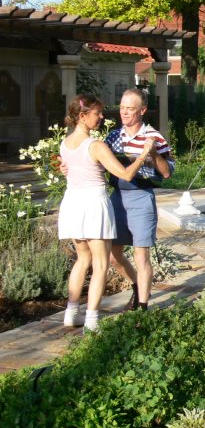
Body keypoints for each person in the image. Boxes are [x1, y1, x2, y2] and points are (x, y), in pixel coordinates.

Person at [59, 94, 155, 331]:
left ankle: (71, 314)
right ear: (83, 116)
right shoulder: (96, 146)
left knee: (82, 260)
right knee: (101, 264)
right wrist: (144, 154)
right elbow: (126, 174)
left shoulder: (65, 143)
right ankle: (92, 321)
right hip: (93, 204)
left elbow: (70, 168)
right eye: (97, 113)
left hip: (72, 202)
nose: (102, 117)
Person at [103, 88, 174, 312]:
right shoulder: (113, 137)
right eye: (122, 108)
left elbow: (167, 173)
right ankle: (137, 287)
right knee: (113, 256)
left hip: (141, 197)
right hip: (117, 197)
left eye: (130, 109)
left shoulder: (154, 137)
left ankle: (142, 308)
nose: (124, 112)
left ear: (142, 111)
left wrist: (152, 153)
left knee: (141, 255)